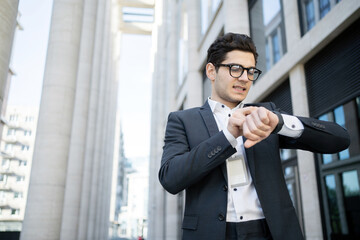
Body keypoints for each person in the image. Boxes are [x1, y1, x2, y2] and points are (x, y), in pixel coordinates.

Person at [158, 33, 350, 240]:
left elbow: (339, 139)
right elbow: (170, 178)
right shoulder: (183, 120)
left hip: (270, 231)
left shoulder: (265, 115)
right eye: (236, 69)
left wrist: (279, 123)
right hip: (212, 233)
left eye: (250, 71)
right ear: (211, 71)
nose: (244, 78)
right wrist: (228, 136)